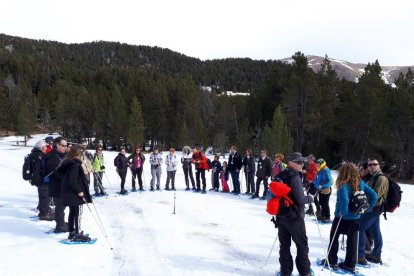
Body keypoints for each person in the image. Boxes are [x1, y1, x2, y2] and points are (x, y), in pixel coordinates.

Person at [320, 163, 377, 273]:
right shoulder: (360, 183)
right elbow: (374, 195)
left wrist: (344, 212)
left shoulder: (343, 184)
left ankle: (331, 261)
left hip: (341, 217)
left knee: (334, 238)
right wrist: (368, 208)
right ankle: (350, 264)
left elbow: (344, 200)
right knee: (352, 241)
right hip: (355, 218)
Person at [272, 152, 314, 276]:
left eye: (303, 162)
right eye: (299, 162)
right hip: (295, 218)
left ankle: (285, 271)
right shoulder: (294, 177)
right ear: (291, 163)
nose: (302, 164)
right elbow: (301, 199)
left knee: (284, 245)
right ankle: (305, 272)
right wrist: (310, 198)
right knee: (302, 246)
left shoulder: (280, 175)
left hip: (281, 216)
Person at [58, 145, 92, 242]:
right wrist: (79, 191)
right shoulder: (74, 165)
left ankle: (72, 232)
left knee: (73, 212)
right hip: (73, 193)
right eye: (81, 153)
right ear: (77, 154)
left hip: (69, 193)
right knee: (76, 213)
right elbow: (72, 181)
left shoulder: (68, 163)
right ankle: (77, 233)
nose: (82, 155)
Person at [358, 158, 389, 265]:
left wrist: (365, 205)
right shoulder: (373, 177)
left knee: (360, 228)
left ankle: (360, 255)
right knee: (376, 231)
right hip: (373, 208)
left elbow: (375, 196)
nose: (371, 166)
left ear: (379, 165)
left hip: (373, 208)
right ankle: (376, 255)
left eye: (374, 164)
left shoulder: (381, 178)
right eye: (370, 164)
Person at [45, 137, 68, 233]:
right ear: (57, 145)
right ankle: (60, 226)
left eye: (66, 145)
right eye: (63, 145)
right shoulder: (52, 157)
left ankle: (61, 223)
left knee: (62, 206)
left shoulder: (62, 155)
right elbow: (58, 173)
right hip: (56, 187)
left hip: (62, 186)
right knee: (59, 207)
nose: (65, 147)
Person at [31, 140, 53, 221]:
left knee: (43, 196)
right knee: (45, 197)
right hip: (42, 180)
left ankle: (42, 212)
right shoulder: (39, 156)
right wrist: (42, 178)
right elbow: (38, 170)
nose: (46, 148)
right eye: (44, 147)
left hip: (39, 180)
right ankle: (44, 214)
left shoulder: (35, 154)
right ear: (41, 147)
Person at [312, 158, 334, 223]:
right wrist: (315, 183)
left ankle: (327, 217)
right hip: (320, 189)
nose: (317, 165)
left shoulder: (325, 170)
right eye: (317, 164)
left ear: (322, 163)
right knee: (321, 202)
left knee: (325, 203)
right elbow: (318, 180)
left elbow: (330, 181)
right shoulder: (320, 170)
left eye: (318, 163)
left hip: (326, 189)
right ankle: (323, 215)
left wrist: (322, 185)